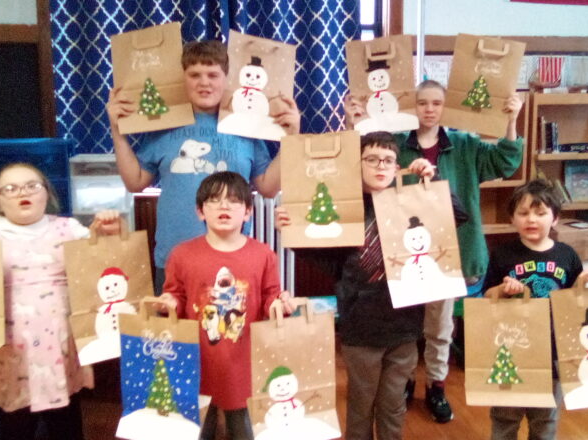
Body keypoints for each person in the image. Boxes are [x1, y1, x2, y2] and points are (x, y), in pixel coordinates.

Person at [346, 79, 525, 423]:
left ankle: (437, 386)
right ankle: (407, 381)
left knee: (440, 327)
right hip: (402, 253)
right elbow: (363, 164)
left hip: (449, 252)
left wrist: (511, 120)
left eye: (436, 103)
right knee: (408, 326)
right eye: (423, 102)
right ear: (414, 106)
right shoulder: (397, 144)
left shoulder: (465, 145)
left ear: (445, 107)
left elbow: (505, 161)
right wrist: (355, 123)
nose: (429, 109)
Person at [0, 163, 122, 440]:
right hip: (7, 349)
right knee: (15, 424)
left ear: (47, 194)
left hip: (60, 346)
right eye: (10, 189)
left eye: (32, 186)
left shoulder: (70, 229)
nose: (22, 193)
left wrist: (110, 231)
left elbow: (109, 264)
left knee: (66, 421)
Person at [276, 131, 437, 440]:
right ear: (357, 163)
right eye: (371, 158)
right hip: (360, 327)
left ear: (396, 166)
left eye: (388, 159)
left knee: (393, 406)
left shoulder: (409, 201)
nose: (380, 165)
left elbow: (457, 215)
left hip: (404, 325)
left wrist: (431, 179)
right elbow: (330, 263)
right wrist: (293, 230)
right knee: (361, 405)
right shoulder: (345, 207)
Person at [106, 40, 302, 294]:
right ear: (183, 78)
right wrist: (117, 130)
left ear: (227, 78)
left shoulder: (245, 126)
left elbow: (268, 187)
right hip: (174, 259)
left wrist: (292, 137)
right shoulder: (164, 124)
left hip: (233, 259)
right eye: (195, 74)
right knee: (176, 333)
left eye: (212, 74)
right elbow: (135, 181)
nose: (204, 82)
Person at [156, 171, 297, 440]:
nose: (224, 206)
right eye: (214, 200)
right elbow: (174, 295)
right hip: (196, 361)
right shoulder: (182, 255)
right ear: (200, 211)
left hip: (244, 360)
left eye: (233, 201)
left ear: (247, 212)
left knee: (244, 428)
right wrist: (169, 302)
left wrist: (279, 303)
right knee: (199, 430)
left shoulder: (262, 254)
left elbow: (270, 296)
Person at [481, 179, 588, 440]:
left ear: (555, 219)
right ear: (512, 219)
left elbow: (574, 300)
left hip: (553, 351)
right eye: (524, 213)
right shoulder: (502, 254)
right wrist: (504, 290)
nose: (532, 219)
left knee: (545, 420)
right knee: (505, 418)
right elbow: (487, 296)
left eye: (540, 213)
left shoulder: (567, 255)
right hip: (512, 350)